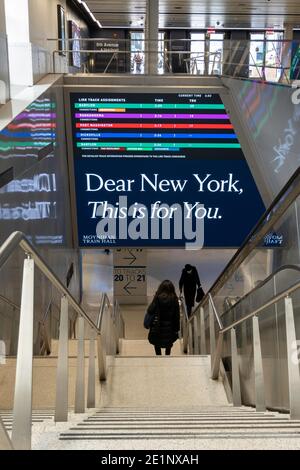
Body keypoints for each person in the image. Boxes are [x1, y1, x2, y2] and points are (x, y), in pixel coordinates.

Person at [146, 280, 180, 356]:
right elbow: (176, 316)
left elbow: (150, 310)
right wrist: (176, 329)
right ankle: (167, 357)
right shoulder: (174, 299)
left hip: (157, 326)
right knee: (168, 344)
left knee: (157, 344)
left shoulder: (157, 297)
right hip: (170, 327)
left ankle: (158, 358)